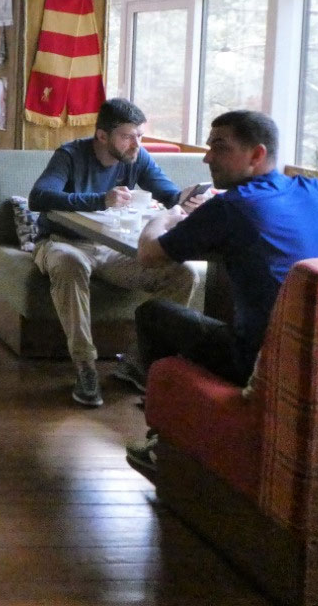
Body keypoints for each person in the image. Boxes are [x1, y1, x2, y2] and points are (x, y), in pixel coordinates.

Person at [124, 110, 318, 478]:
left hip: (259, 361)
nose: (207, 158)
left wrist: (163, 218)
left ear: (257, 154)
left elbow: (149, 255)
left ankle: (162, 442)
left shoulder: (231, 206)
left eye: (220, 147)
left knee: (153, 314)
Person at [28, 98, 205, 408]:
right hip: (59, 241)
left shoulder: (137, 157)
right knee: (70, 264)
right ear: (102, 136)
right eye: (127, 136)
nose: (136, 143)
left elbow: (168, 194)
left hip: (110, 248)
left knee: (184, 273)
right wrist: (101, 199)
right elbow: (39, 197)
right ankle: (85, 366)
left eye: (140, 135)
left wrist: (185, 199)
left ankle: (138, 362)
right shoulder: (70, 155)